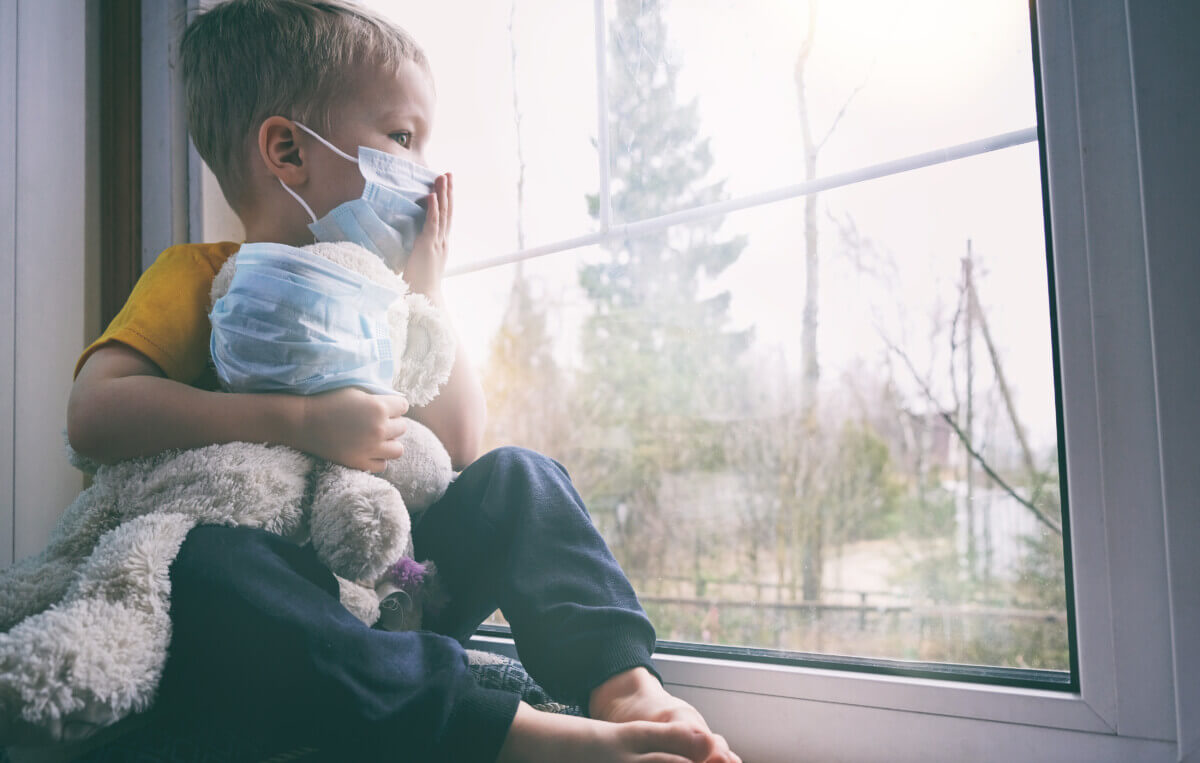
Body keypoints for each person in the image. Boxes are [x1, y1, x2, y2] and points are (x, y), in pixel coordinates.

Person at [66, 2, 740, 761]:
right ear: (288, 150)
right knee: (208, 566)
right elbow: (94, 412)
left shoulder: (388, 299)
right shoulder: (200, 276)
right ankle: (510, 733)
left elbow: (458, 444)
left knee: (524, 475)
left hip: (394, 585)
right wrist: (299, 423)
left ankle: (622, 685)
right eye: (401, 138)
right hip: (282, 615)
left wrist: (427, 293)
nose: (426, 171)